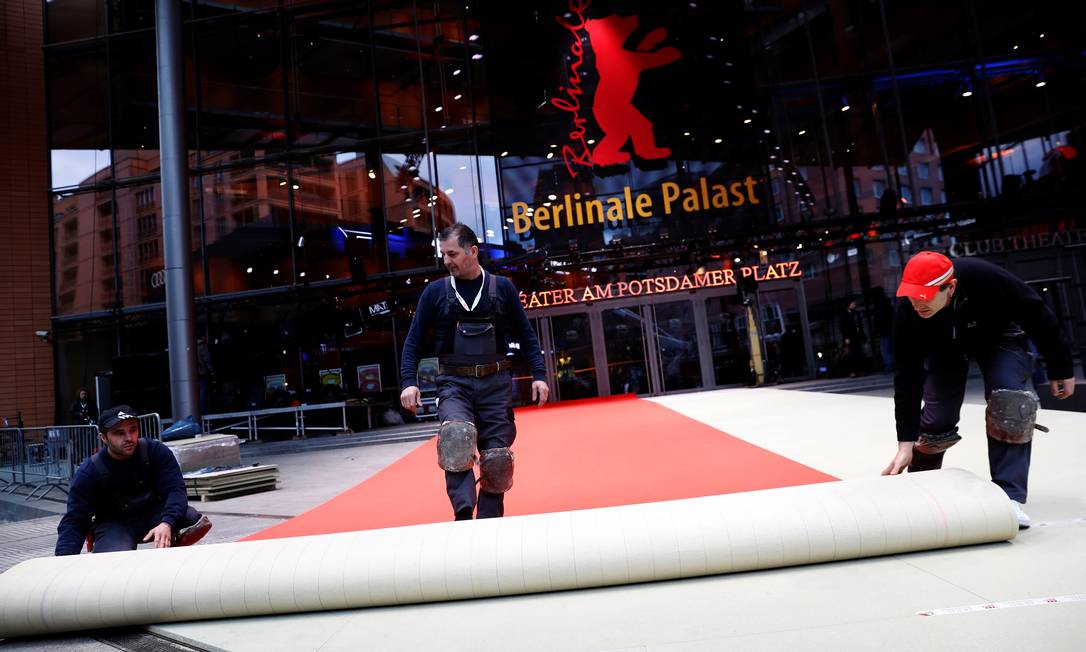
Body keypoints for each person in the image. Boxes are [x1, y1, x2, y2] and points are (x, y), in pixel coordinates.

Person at [881, 251, 1076, 528]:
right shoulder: (908, 310)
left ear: (950, 287)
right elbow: (907, 377)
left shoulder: (984, 276)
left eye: (924, 296)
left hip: (998, 336)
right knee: (938, 418)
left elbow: (1036, 312)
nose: (916, 303)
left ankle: (1009, 497)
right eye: (911, 295)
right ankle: (921, 484)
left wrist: (1061, 367)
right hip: (943, 348)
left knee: (1010, 403)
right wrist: (905, 442)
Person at [399, 224, 549, 521]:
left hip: (495, 384)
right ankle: (464, 515)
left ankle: (489, 524)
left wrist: (540, 374)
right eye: (443, 254)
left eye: (452, 253)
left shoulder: (502, 288)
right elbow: (413, 340)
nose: (447, 260)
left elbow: (527, 336)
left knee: (496, 459)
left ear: (473, 251)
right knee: (455, 437)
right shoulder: (435, 292)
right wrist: (408, 382)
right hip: (454, 382)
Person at [55, 405, 212, 555]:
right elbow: (75, 520)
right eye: (119, 433)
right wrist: (63, 563)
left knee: (192, 518)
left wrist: (167, 523)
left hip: (152, 516)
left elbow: (175, 491)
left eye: (133, 430)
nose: (129, 438)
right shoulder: (89, 471)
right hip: (115, 524)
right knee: (112, 560)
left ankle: (169, 548)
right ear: (103, 438)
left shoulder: (156, 451)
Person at [839, 296, 867, 377]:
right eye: (852, 303)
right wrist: (845, 337)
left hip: (857, 336)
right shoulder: (844, 314)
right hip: (850, 336)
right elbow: (843, 327)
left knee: (859, 352)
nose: (854, 304)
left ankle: (860, 370)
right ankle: (852, 371)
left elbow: (860, 325)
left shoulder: (856, 313)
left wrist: (862, 335)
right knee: (852, 354)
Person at [196, 334, 214, 414]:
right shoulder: (202, 346)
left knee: (198, 390)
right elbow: (207, 359)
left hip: (195, 373)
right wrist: (211, 370)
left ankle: (197, 408)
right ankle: (203, 409)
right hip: (203, 371)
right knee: (203, 391)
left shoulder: (192, 345)